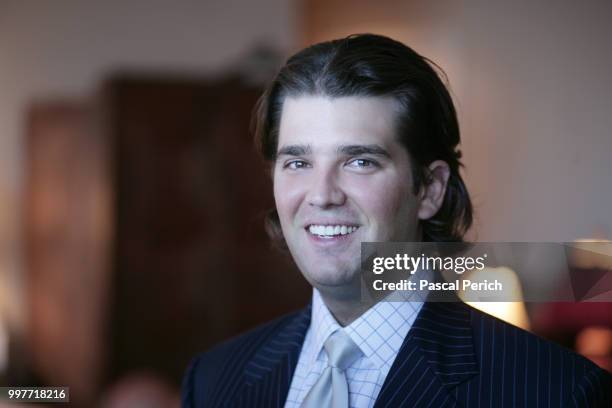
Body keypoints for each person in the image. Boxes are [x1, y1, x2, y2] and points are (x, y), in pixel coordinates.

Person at [181, 34, 610, 407]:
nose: (322, 194)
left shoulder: (556, 391)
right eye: (298, 162)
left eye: (360, 161)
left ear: (429, 188)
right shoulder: (215, 380)